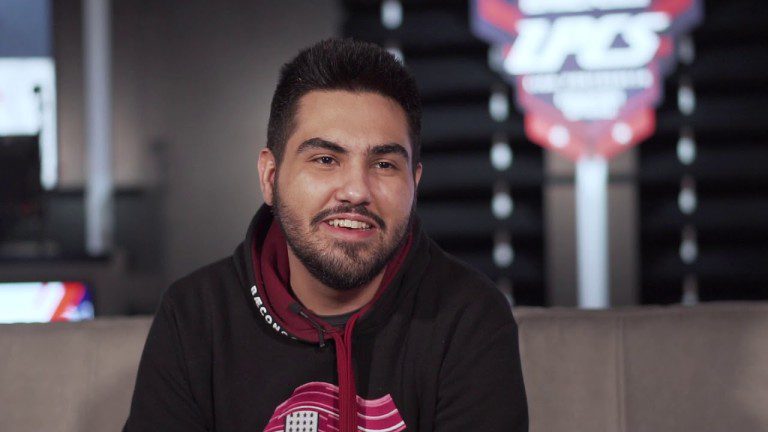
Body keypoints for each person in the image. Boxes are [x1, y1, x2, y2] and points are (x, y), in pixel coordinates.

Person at [124, 38, 528, 432]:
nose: (356, 191)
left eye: (384, 165)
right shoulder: (195, 317)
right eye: (325, 159)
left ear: (414, 184)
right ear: (270, 176)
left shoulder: (469, 316)